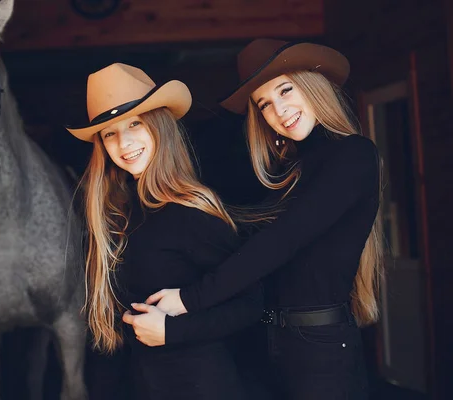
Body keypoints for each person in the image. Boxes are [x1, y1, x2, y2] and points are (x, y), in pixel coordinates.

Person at [137, 39, 384, 399]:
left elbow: (282, 241)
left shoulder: (354, 155)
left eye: (285, 90)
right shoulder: (288, 173)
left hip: (321, 350)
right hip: (267, 343)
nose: (279, 110)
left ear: (312, 85)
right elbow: (243, 248)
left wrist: (189, 300)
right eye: (265, 104)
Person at [65, 63, 267, 400]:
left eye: (134, 124)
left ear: (158, 126)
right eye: (109, 133)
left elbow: (251, 304)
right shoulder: (116, 216)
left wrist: (173, 331)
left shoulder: (191, 211)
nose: (124, 142)